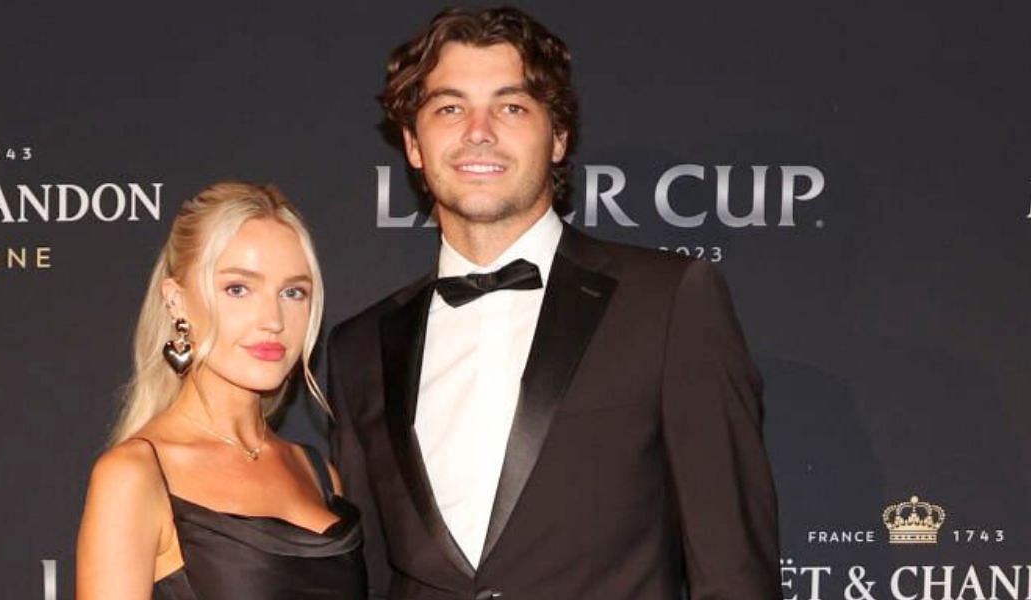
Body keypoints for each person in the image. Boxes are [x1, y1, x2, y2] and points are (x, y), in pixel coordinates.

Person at [328, 7, 781, 599]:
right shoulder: (358, 347)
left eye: (511, 107)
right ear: (413, 144)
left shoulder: (668, 302)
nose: (478, 131)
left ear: (559, 136)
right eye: (449, 107)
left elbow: (733, 574)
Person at [76, 182, 366, 599]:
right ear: (176, 301)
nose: (273, 319)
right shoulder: (135, 476)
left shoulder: (318, 473)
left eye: (293, 292)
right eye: (238, 289)